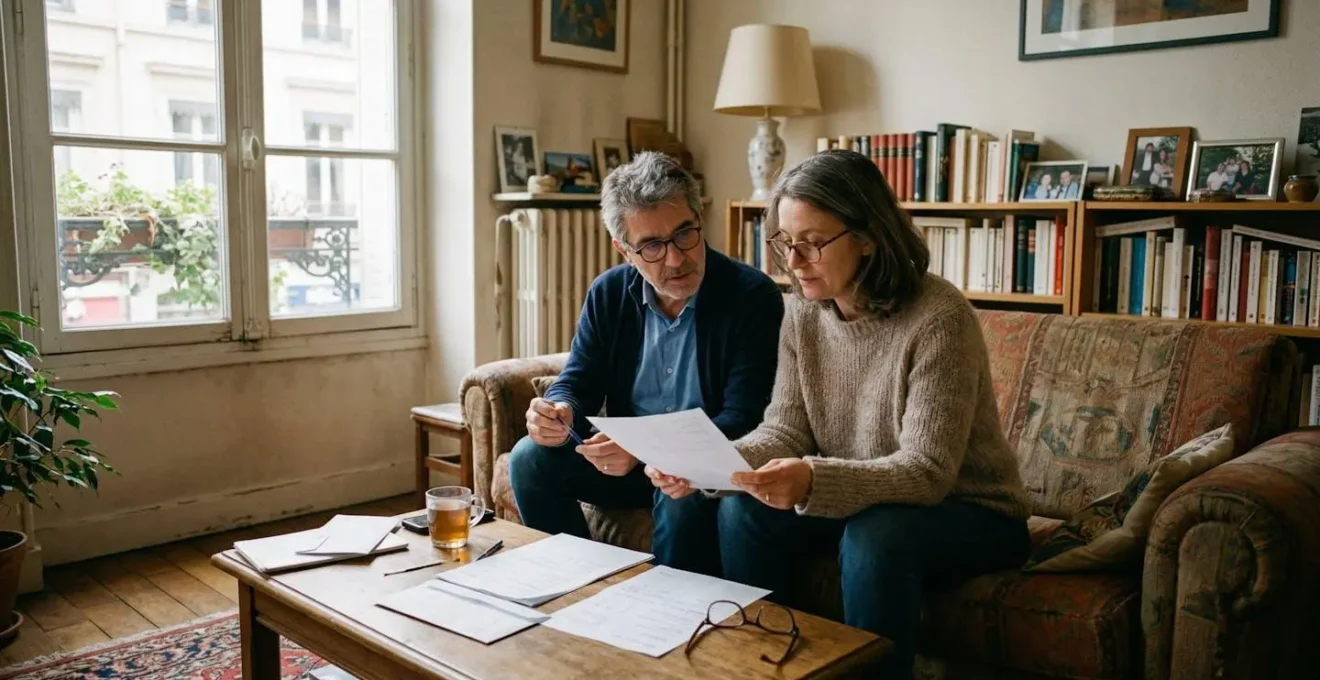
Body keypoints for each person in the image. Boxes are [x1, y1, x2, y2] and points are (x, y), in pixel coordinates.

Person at [711, 150, 1031, 679]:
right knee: (741, 511)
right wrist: (721, 464)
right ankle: (765, 669)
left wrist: (813, 478)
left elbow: (926, 472)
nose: (793, 262)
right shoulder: (802, 314)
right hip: (865, 505)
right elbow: (786, 428)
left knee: (876, 534)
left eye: (812, 242)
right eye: (785, 243)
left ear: (868, 235)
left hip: (973, 511)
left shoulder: (939, 317)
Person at [507, 151, 785, 577]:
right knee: (529, 458)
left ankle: (669, 619)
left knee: (683, 492)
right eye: (652, 246)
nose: (675, 259)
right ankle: (576, 586)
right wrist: (558, 408)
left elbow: (744, 418)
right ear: (624, 250)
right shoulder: (609, 293)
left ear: (699, 216)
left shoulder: (752, 297)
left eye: (684, 234)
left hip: (698, 466)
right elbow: (578, 381)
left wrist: (646, 451)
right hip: (625, 466)